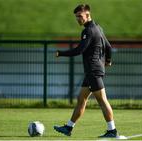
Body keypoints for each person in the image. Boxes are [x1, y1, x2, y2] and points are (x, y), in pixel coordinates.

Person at [53, 4, 118, 138]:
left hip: (93, 71)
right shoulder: (98, 28)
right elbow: (109, 47)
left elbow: (79, 50)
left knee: (102, 100)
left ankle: (112, 130)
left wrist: (61, 53)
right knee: (81, 99)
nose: (78, 19)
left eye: (80, 16)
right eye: (76, 17)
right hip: (92, 71)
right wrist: (108, 61)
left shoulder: (88, 31)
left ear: (88, 15)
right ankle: (68, 127)